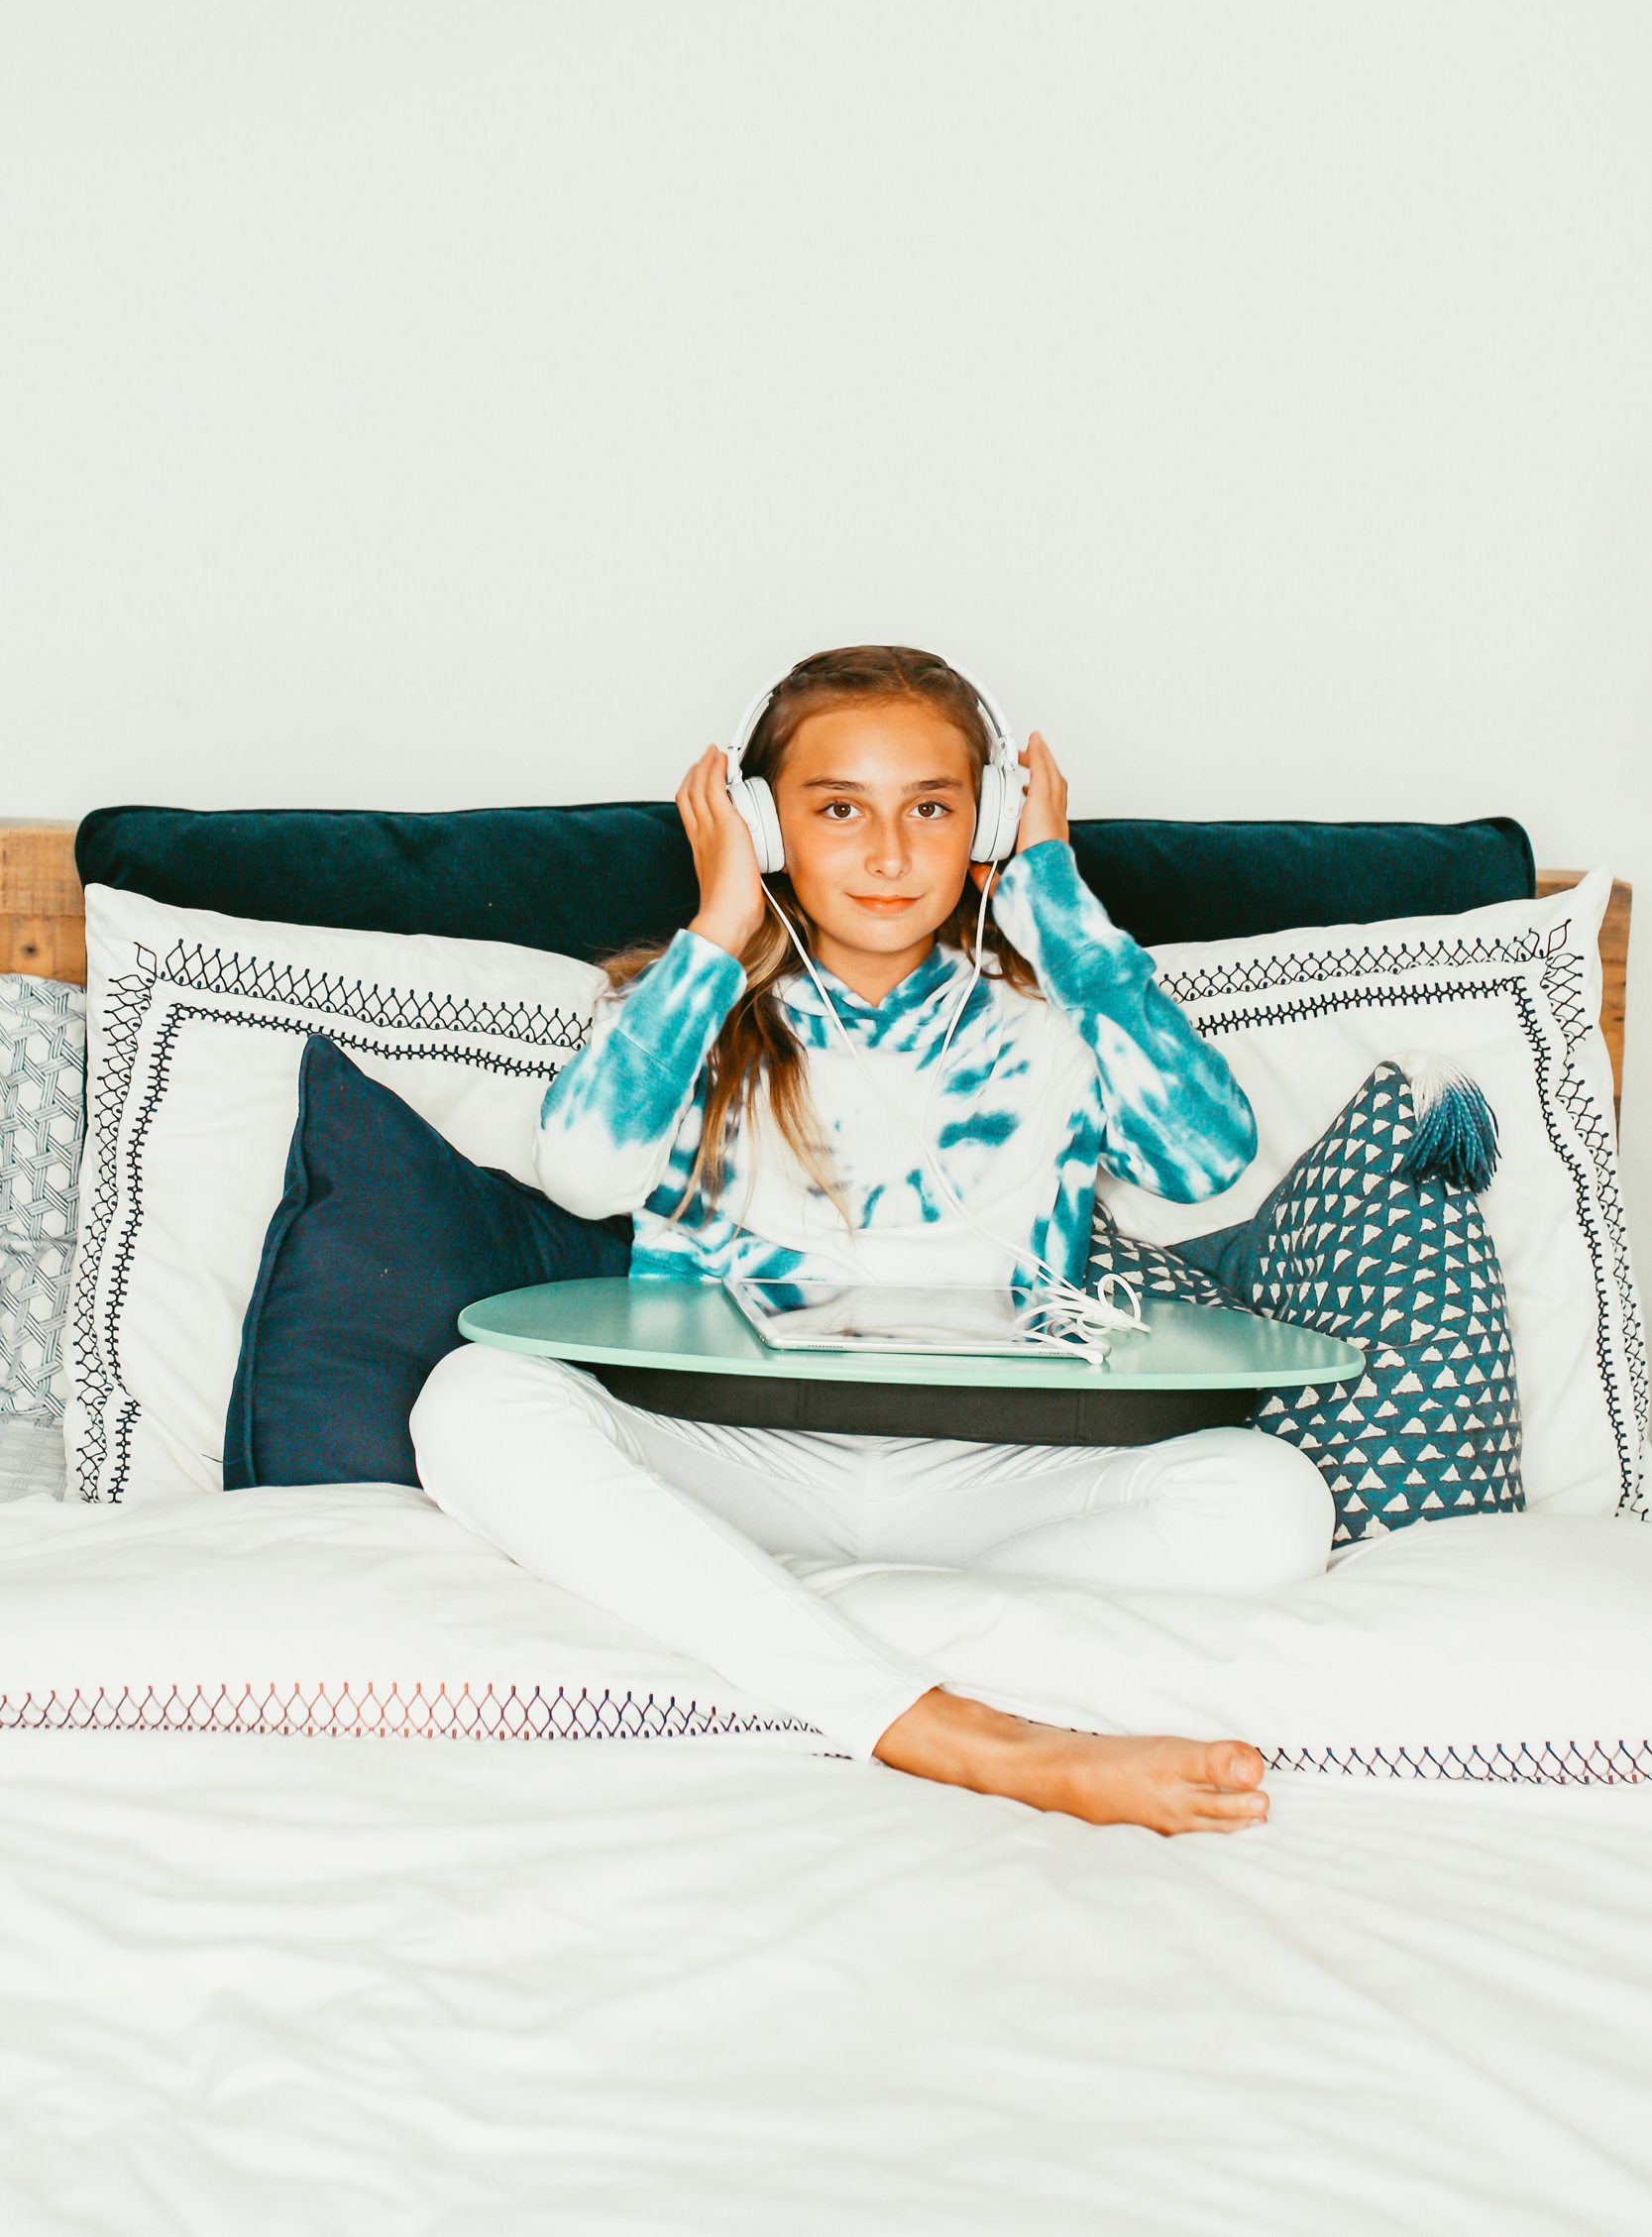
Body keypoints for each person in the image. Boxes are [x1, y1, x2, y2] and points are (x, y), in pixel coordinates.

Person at [411, 645, 1334, 1833]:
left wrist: (1060, 910)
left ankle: (747, 1624)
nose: (889, 852)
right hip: (731, 1461)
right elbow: (582, 1171)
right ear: (764, 823)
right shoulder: (692, 1014)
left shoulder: (1057, 1027)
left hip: (982, 1477)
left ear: (988, 822)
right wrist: (718, 924)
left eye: (932, 808)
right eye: (837, 808)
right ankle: (965, 1734)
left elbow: (1204, 1163)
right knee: (475, 1399)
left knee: (1269, 1502)